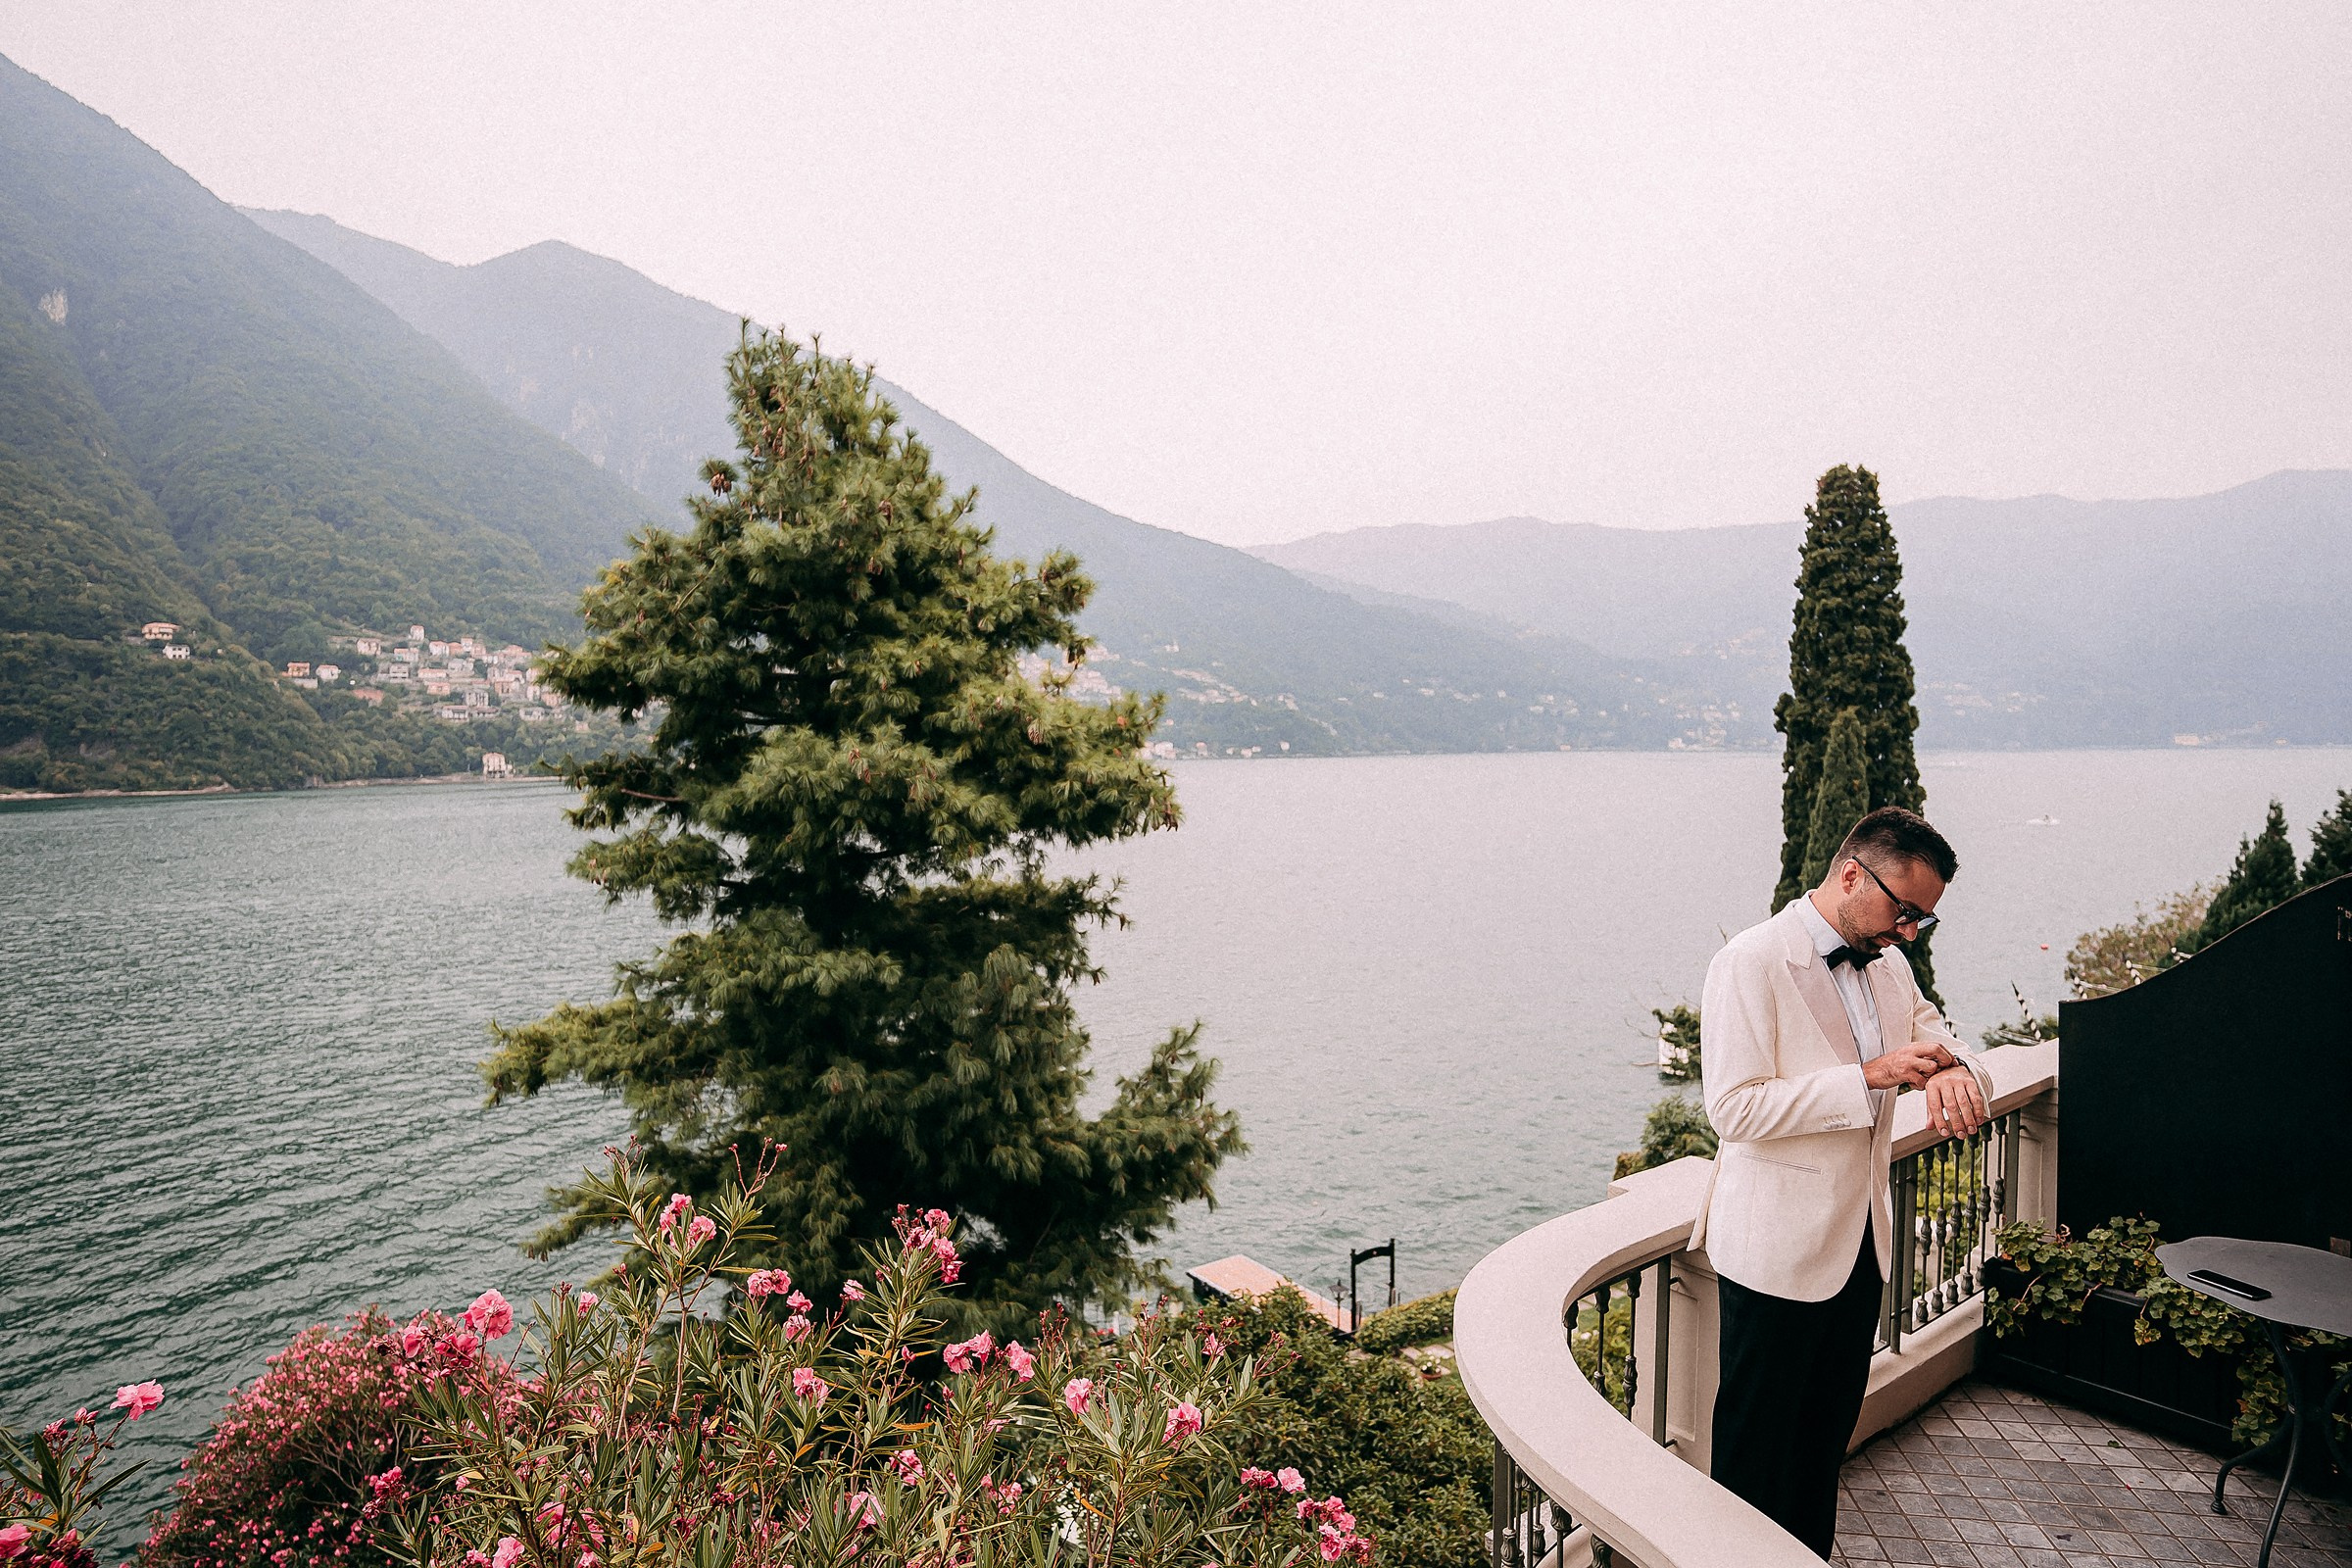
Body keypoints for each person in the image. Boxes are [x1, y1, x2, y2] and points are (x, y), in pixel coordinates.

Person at [1691, 806, 1992, 1558]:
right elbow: (1733, 1109)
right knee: (1753, 1466)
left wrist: (1957, 1067)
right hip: (1773, 1258)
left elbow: (1946, 1033)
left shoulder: (1890, 965)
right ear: (1852, 872)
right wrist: (1863, 1079)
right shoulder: (1749, 962)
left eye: (1925, 920)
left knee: (1820, 1454)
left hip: (1862, 1251)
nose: (1911, 932)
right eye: (1906, 911)